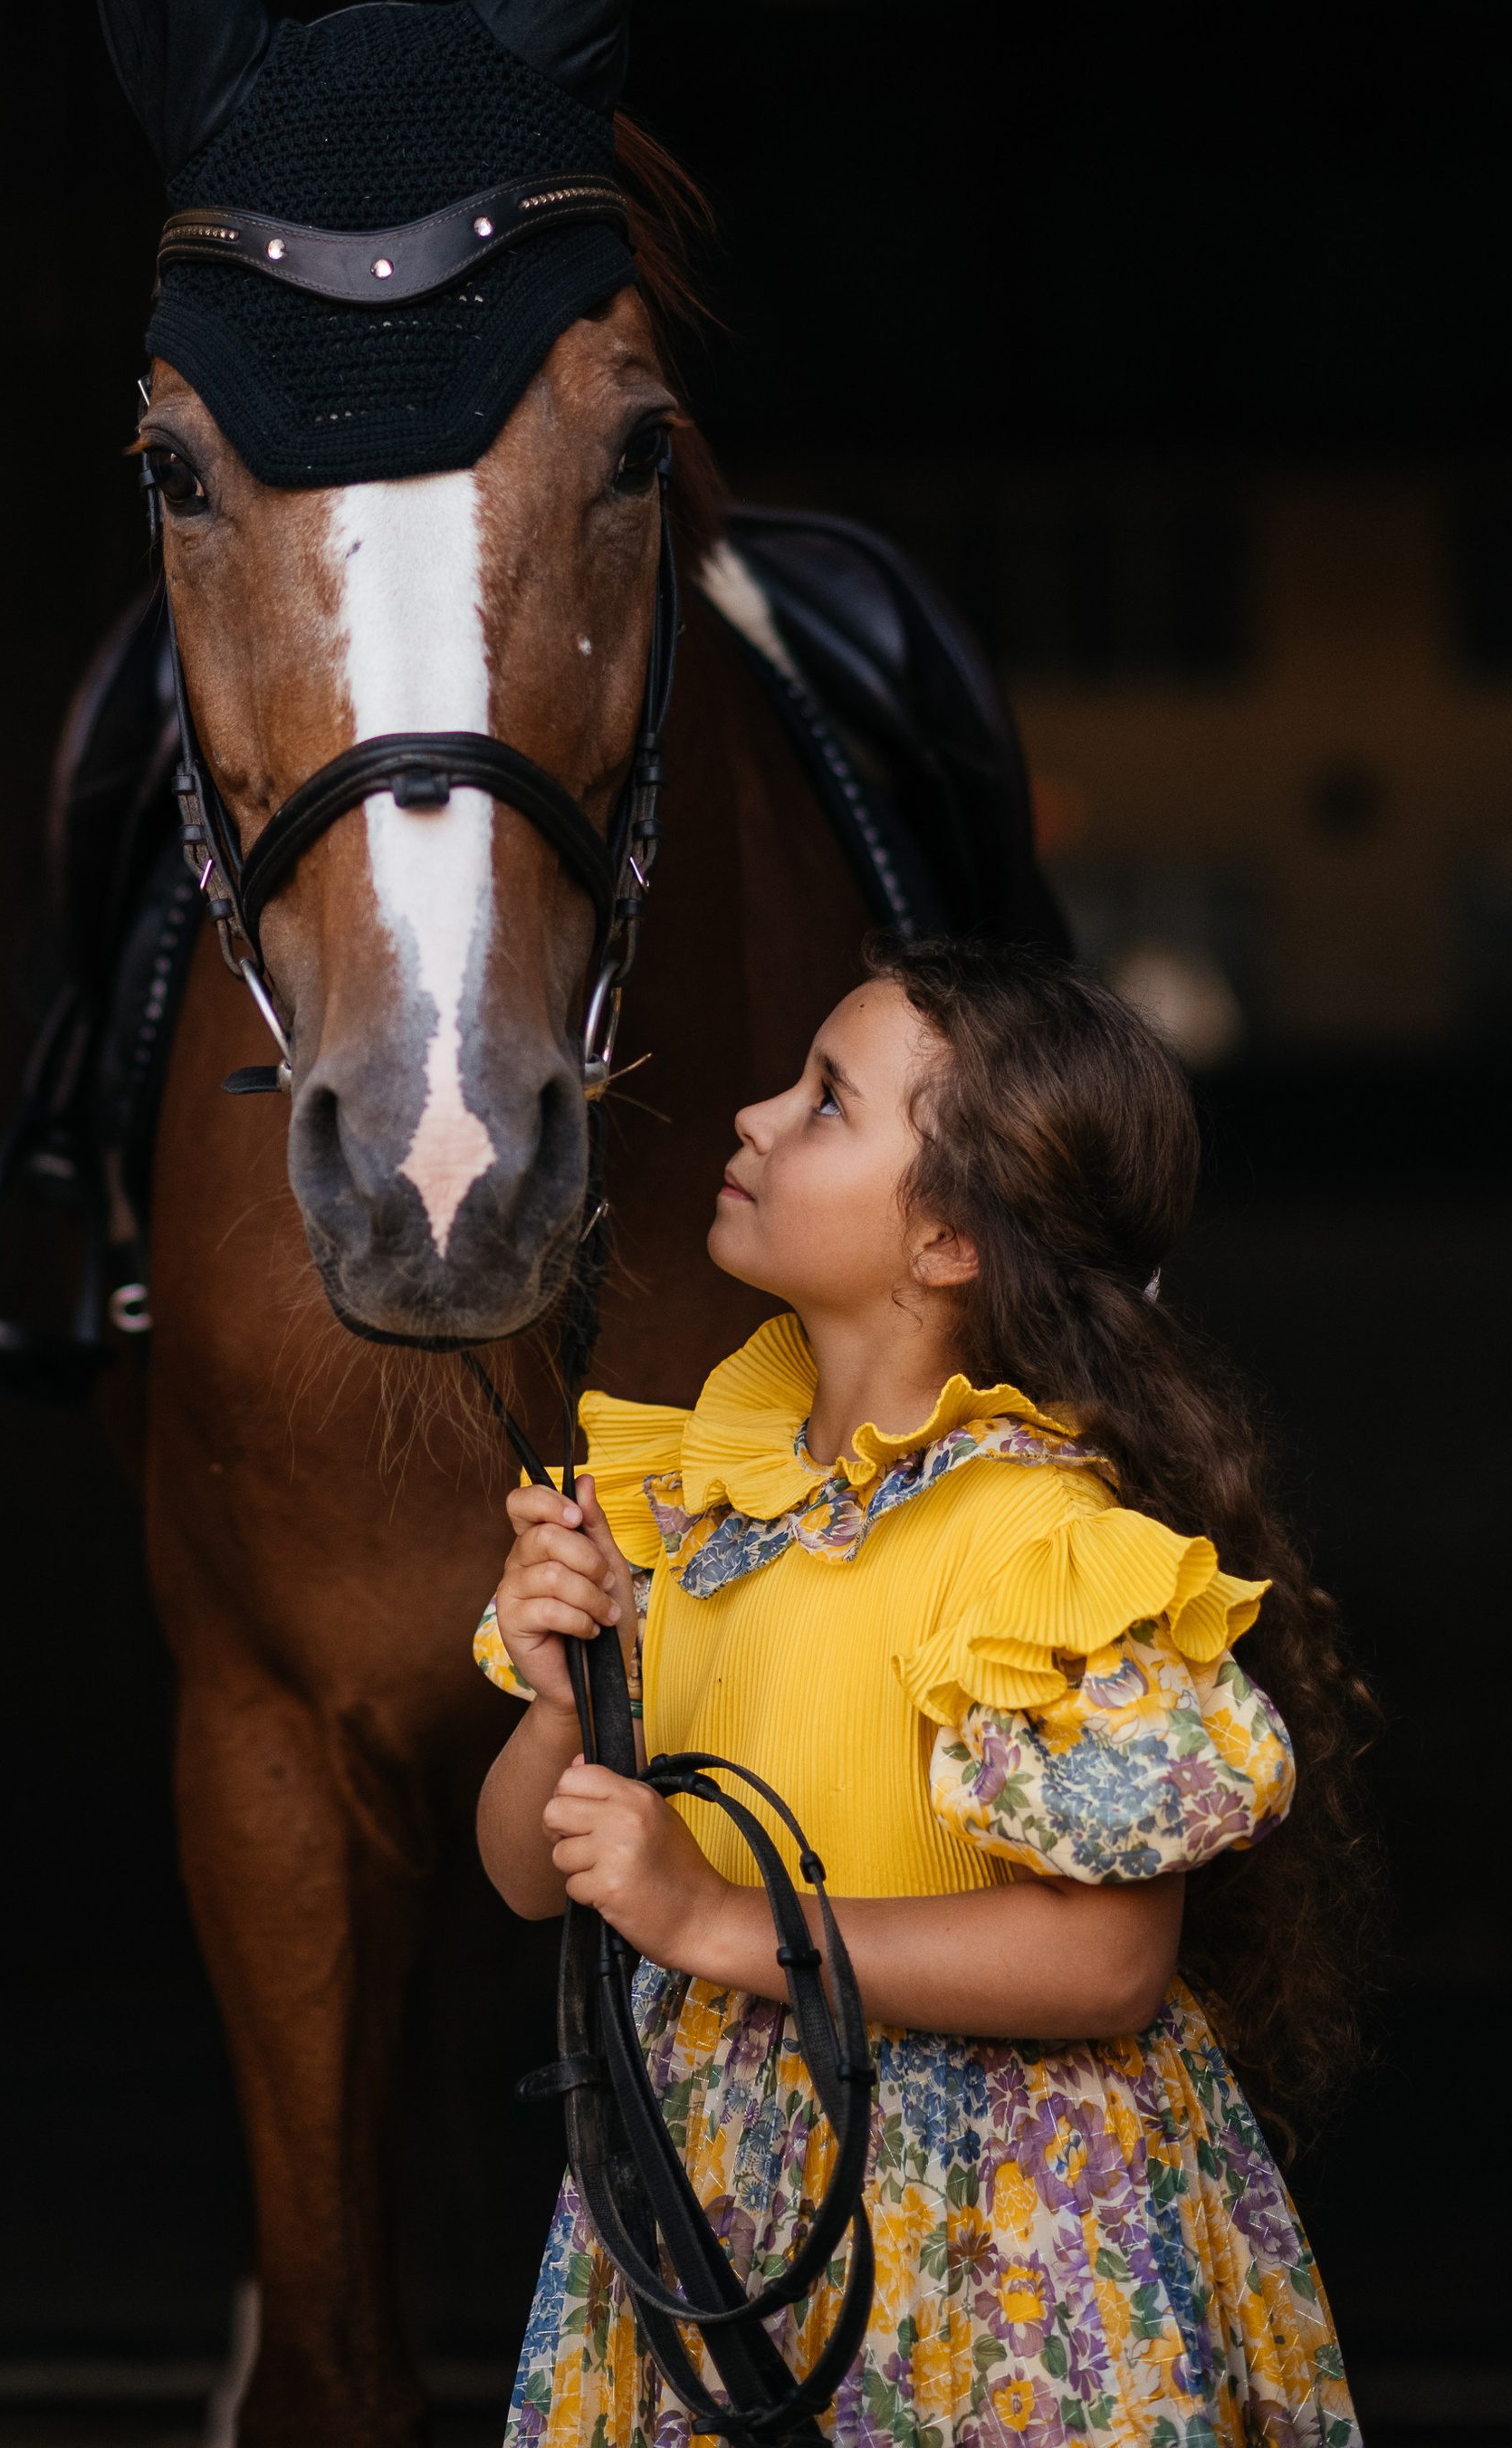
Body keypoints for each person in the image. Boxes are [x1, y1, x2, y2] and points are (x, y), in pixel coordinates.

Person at [475, 936, 1371, 2447]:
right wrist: (569, 1703)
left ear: (950, 1237)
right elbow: (525, 1872)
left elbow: (1104, 1970)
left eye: (826, 1101)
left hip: (992, 2231)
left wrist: (707, 1920)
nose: (755, 1117)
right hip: (718, 2197)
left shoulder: (1044, 1547)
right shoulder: (697, 1502)